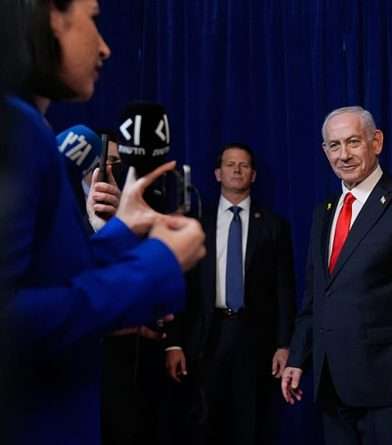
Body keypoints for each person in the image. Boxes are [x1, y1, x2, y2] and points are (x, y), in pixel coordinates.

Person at [0, 1, 206, 444]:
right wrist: (157, 265)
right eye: (93, 19)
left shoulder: (27, 126)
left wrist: (120, 231)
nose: (106, 48)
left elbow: (46, 279)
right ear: (49, 17)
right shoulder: (15, 129)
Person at [281, 106, 392, 444]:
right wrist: (298, 357)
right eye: (334, 145)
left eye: (353, 142)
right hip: (331, 380)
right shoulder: (324, 212)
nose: (343, 155)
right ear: (325, 151)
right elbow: (315, 295)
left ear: (377, 142)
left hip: (386, 382)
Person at [164, 143, 296, 444]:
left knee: (250, 426)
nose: (237, 170)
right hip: (205, 337)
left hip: (254, 340)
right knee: (203, 426)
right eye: (230, 164)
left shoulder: (274, 225)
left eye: (244, 165)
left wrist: (283, 344)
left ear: (253, 175)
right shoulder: (195, 224)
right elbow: (178, 286)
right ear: (217, 173)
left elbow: (284, 289)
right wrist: (173, 342)